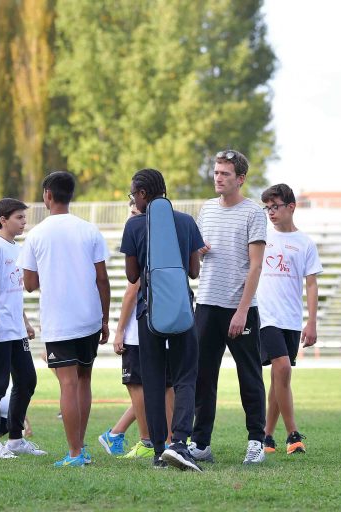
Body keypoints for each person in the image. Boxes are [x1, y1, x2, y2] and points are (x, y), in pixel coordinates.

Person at [20, 171, 110, 468]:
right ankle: (81, 447)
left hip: (59, 320)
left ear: (48, 195)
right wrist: (105, 320)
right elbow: (102, 279)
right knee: (84, 380)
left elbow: (29, 284)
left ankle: (74, 454)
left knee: (68, 384)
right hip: (89, 317)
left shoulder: (36, 234)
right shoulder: (89, 229)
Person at [121, 168, 205, 471]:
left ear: (143, 194)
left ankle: (159, 450)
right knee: (185, 378)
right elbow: (194, 271)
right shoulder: (186, 222)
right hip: (182, 310)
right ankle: (180, 442)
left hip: (149, 313)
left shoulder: (134, 225)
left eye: (133, 194)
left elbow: (132, 276)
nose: (133, 199)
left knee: (154, 381)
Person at [189, 149, 268, 465]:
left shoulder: (253, 213)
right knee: (203, 376)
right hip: (207, 304)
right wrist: (199, 251)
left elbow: (256, 265)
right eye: (216, 172)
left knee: (249, 376)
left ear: (240, 179)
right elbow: (197, 258)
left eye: (225, 173)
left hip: (239, 308)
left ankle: (256, 441)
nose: (218, 178)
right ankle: (201, 443)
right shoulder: (206, 209)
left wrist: (242, 310)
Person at [99, 200, 175, 459]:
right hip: (162, 326)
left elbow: (132, 292)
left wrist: (119, 330)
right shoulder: (164, 240)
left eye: (135, 213)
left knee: (140, 386)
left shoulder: (141, 244)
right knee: (163, 387)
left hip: (139, 330)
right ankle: (162, 439)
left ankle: (146, 440)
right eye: (130, 213)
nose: (131, 218)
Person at [0, 198, 45, 459]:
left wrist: (25, 321)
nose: (24, 222)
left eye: (24, 217)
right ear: (3, 220)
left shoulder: (17, 248)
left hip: (16, 329)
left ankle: (15, 439)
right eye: (19, 217)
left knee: (27, 381)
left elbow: (12, 290)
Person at [258, 184, 322, 454]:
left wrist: (311, 322)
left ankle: (266, 436)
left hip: (291, 319)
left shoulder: (305, 243)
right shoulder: (262, 238)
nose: (271, 212)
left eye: (275, 206)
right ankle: (293, 434)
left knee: (279, 377)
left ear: (291, 207)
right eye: (267, 208)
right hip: (265, 316)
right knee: (283, 369)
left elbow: (311, 284)